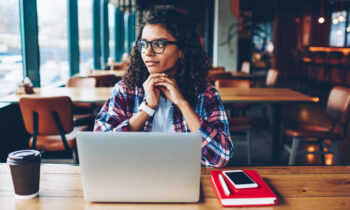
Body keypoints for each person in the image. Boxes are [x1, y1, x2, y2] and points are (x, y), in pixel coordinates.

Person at [94, 6, 233, 167]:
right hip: (134, 178)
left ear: (182, 50)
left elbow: (222, 157)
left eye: (159, 44)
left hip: (185, 181)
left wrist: (183, 104)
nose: (148, 52)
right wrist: (147, 108)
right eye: (144, 44)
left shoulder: (206, 94)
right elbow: (100, 150)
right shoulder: (126, 90)